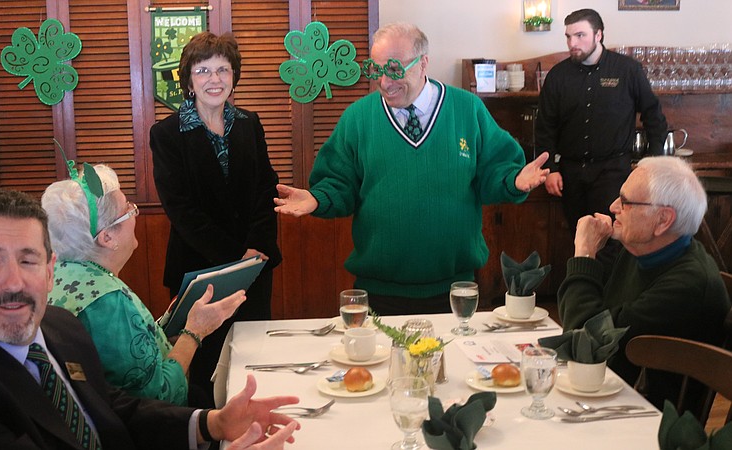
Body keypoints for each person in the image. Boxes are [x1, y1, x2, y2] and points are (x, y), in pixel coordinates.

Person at [0, 188, 299, 450]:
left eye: (28, 260)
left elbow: (112, 408)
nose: (13, 282)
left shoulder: (58, 326)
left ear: (49, 270)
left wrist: (211, 423)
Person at [273, 22, 549, 315]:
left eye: (393, 69)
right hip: (379, 291)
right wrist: (318, 199)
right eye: (376, 70)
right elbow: (339, 183)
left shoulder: (467, 109)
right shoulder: (358, 118)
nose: (384, 82)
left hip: (456, 289)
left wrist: (514, 180)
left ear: (423, 63)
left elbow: (495, 171)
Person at [42, 163, 245, 408]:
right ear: (107, 237)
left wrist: (168, 324)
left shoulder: (58, 272)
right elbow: (160, 397)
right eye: (129, 210)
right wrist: (195, 331)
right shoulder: (107, 302)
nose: (134, 214)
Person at [150, 31, 281, 405]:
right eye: (203, 70)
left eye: (223, 70)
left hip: (254, 265)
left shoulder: (249, 123)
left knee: (253, 361)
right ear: (188, 79)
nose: (215, 79)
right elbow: (181, 209)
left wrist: (255, 251)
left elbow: (265, 189)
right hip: (200, 271)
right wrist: (233, 258)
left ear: (233, 76)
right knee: (207, 367)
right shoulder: (166, 133)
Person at [558, 156, 731, 416]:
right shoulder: (640, 249)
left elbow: (584, 342)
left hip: (649, 422)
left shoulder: (688, 285)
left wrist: (584, 253)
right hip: (608, 394)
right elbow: (593, 326)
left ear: (663, 219)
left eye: (626, 202)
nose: (613, 206)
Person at [535, 8, 668, 266]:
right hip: (570, 172)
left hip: (612, 172)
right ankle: (583, 299)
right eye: (568, 37)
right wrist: (549, 168)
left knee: (610, 240)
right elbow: (545, 127)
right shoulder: (558, 75)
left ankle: (608, 303)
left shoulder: (627, 70)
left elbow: (653, 115)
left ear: (599, 35)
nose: (573, 43)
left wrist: (655, 163)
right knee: (579, 238)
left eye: (580, 35)